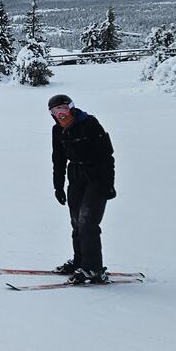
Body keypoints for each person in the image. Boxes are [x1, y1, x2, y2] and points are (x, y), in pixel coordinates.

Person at [48, 93, 116, 284]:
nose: (60, 114)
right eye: (55, 111)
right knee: (76, 222)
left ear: (71, 108)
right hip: (76, 176)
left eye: (62, 109)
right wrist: (58, 187)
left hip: (97, 176)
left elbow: (107, 155)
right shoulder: (57, 130)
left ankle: (94, 269)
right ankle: (80, 262)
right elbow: (58, 160)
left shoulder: (90, 123)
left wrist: (109, 184)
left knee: (87, 223)